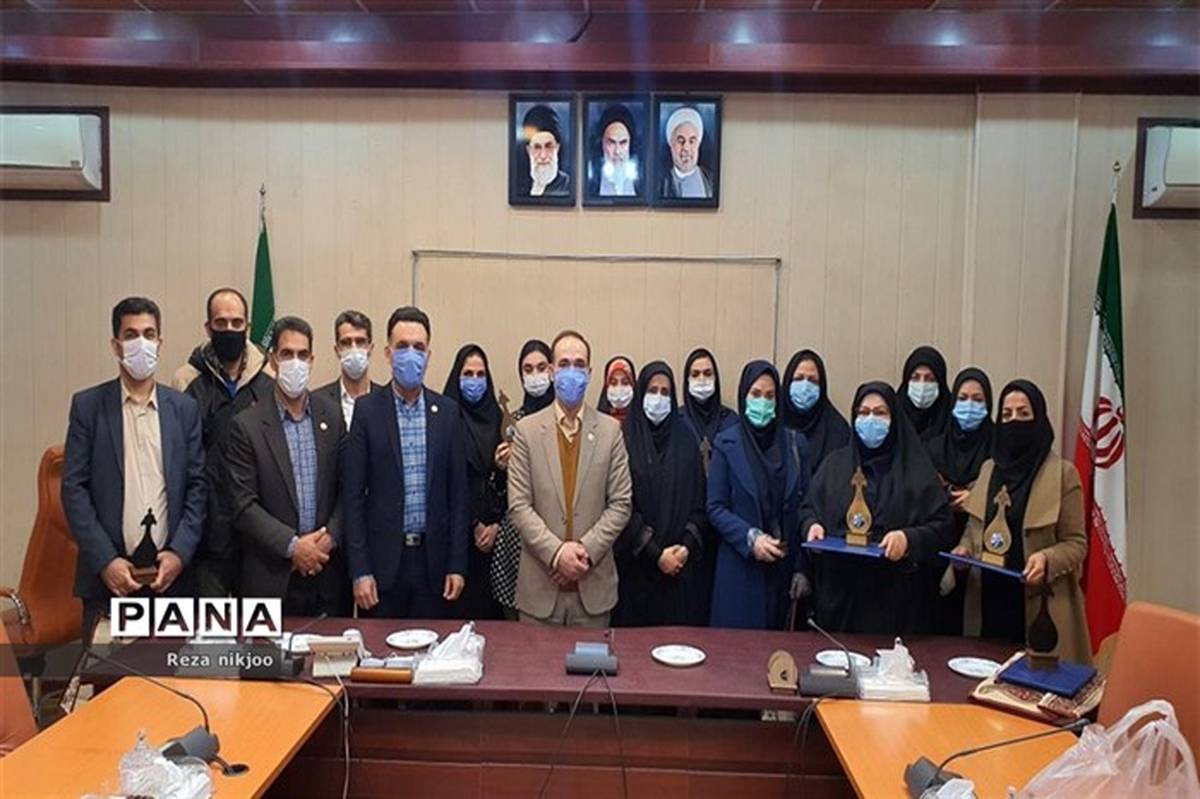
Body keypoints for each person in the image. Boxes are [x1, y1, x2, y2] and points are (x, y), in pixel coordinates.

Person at [62, 297, 207, 634]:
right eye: (131, 335)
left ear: (159, 342)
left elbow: (198, 487)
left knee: (170, 667)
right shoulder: (88, 407)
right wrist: (105, 560)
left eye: (149, 334)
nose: (141, 343)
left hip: (171, 580)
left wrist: (179, 553)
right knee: (108, 669)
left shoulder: (184, 409)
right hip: (109, 582)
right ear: (116, 345)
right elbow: (73, 489)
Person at [946, 380, 1091, 664]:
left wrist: (1047, 559)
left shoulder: (1063, 475)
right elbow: (973, 529)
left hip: (1039, 607)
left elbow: (1076, 544)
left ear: (1039, 418)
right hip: (986, 605)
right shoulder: (989, 469)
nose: (1014, 421)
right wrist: (964, 551)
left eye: (1024, 414)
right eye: (1007, 414)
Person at [342, 306, 468, 618]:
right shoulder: (367, 411)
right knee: (379, 649)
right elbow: (353, 497)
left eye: (418, 347)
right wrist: (360, 570)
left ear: (428, 355)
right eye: (402, 346)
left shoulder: (448, 412)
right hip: (382, 569)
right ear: (388, 354)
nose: (411, 354)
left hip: (434, 567)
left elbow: (458, 497)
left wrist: (456, 564)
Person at [801, 382, 954, 635]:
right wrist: (811, 525)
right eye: (863, 412)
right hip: (839, 600)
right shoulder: (834, 465)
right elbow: (808, 508)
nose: (871, 419)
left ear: (895, 419)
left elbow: (943, 527)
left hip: (895, 603)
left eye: (880, 413)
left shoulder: (916, 470)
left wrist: (908, 539)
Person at [508, 330, 632, 628]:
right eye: (564, 364)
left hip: (593, 592)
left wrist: (583, 552)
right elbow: (519, 506)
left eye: (579, 365)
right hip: (540, 591)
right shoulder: (526, 431)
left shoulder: (610, 432)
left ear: (589, 373)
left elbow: (621, 504)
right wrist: (556, 554)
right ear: (551, 372)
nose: (571, 372)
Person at [225, 317, 347, 617]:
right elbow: (243, 505)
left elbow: (347, 490)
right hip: (272, 577)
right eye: (287, 354)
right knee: (268, 651)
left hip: (327, 574)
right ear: (273, 360)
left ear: (312, 360)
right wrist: (294, 547)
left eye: (302, 355)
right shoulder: (247, 425)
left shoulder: (332, 416)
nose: (295, 362)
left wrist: (328, 539)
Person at [172, 287, 274, 597]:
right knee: (210, 627)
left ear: (248, 327)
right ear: (208, 328)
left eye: (236, 323)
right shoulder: (186, 381)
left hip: (258, 540)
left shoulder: (270, 381)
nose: (229, 329)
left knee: (258, 626)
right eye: (221, 323)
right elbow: (180, 461)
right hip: (207, 538)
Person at [707, 361, 811, 630]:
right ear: (744, 395)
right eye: (755, 394)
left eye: (769, 396)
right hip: (740, 572)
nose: (762, 402)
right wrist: (750, 538)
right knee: (738, 652)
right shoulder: (726, 443)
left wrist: (802, 568)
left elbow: (806, 508)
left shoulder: (795, 445)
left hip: (784, 575)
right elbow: (715, 507)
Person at [613, 362, 708, 627]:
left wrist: (685, 548)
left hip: (679, 573)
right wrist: (656, 554)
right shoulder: (624, 439)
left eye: (665, 392)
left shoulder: (687, 440)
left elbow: (700, 505)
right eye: (652, 391)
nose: (658, 398)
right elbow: (620, 505)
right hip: (635, 574)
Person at [489, 339, 555, 618]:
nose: (535, 375)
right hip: (516, 541)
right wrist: (500, 468)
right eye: (528, 369)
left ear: (552, 371)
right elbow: (498, 494)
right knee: (518, 629)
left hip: (556, 534)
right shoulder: (512, 422)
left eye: (541, 367)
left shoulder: (565, 420)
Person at [441, 343, 505, 621]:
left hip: (495, 544)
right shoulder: (445, 418)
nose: (475, 381)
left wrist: (496, 525)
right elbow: (444, 481)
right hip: (456, 541)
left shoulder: (499, 419)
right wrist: (474, 524)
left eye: (481, 375)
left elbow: (508, 484)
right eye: (468, 374)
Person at [929, 367, 994, 635]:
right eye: (963, 398)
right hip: (939, 544)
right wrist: (946, 496)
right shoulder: (935, 446)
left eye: (978, 400)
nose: (969, 406)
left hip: (983, 548)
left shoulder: (998, 445)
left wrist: (975, 498)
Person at [780, 349, 851, 472]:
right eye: (799, 378)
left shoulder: (837, 430)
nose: (805, 387)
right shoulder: (773, 420)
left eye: (812, 380)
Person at [316, 309, 383, 430]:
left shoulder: (385, 400)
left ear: (370, 349)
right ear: (337, 350)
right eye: (346, 343)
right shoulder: (318, 401)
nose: (354, 349)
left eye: (360, 342)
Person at [680, 347, 737, 462]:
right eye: (695, 374)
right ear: (687, 381)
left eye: (707, 373)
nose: (702, 379)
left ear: (715, 378)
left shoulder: (731, 421)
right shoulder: (677, 420)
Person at [896, 345, 952, 441]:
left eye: (930, 379)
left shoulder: (951, 419)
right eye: (915, 378)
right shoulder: (894, 414)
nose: (922, 384)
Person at [660, 106, 713, 199]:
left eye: (692, 141)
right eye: (681, 141)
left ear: (698, 144)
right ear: (671, 144)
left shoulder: (710, 180)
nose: (686, 148)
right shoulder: (660, 184)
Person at [519, 104, 571, 198]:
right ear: (529, 150)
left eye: (548, 146)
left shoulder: (568, 187)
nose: (543, 155)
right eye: (537, 147)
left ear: (557, 148)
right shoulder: (520, 187)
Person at [591, 104, 641, 198]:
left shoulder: (643, 186)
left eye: (623, 143)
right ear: (602, 144)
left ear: (631, 145)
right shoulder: (590, 186)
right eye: (611, 143)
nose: (617, 151)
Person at [596, 356, 636, 426]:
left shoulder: (642, 424)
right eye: (613, 383)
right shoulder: (596, 424)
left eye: (625, 383)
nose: (619, 389)